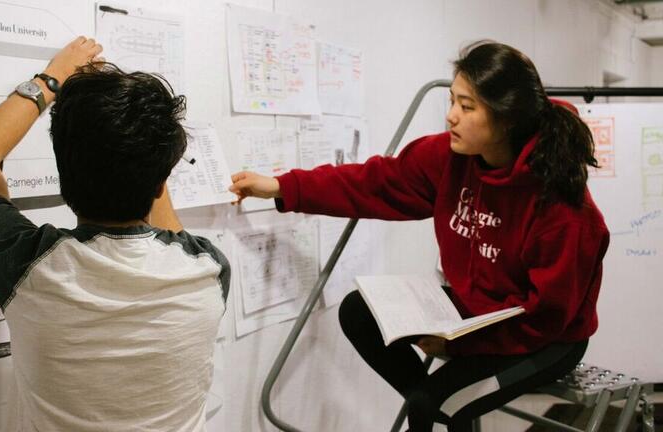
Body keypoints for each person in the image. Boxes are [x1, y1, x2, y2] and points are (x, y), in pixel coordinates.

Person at [229, 41, 608, 431]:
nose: (450, 117)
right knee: (358, 313)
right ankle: (437, 401)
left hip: (546, 338)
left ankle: (435, 403)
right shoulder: (449, 158)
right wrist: (281, 186)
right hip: (474, 314)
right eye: (451, 101)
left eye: (467, 106)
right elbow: (375, 183)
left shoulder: (564, 209)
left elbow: (546, 316)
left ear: (507, 118)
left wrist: (458, 345)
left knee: (429, 406)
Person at [0, 37, 230, 432]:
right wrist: (136, 137)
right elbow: (164, 218)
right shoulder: (208, 271)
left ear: (63, 176)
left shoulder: (25, 266)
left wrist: (52, 79)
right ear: (160, 180)